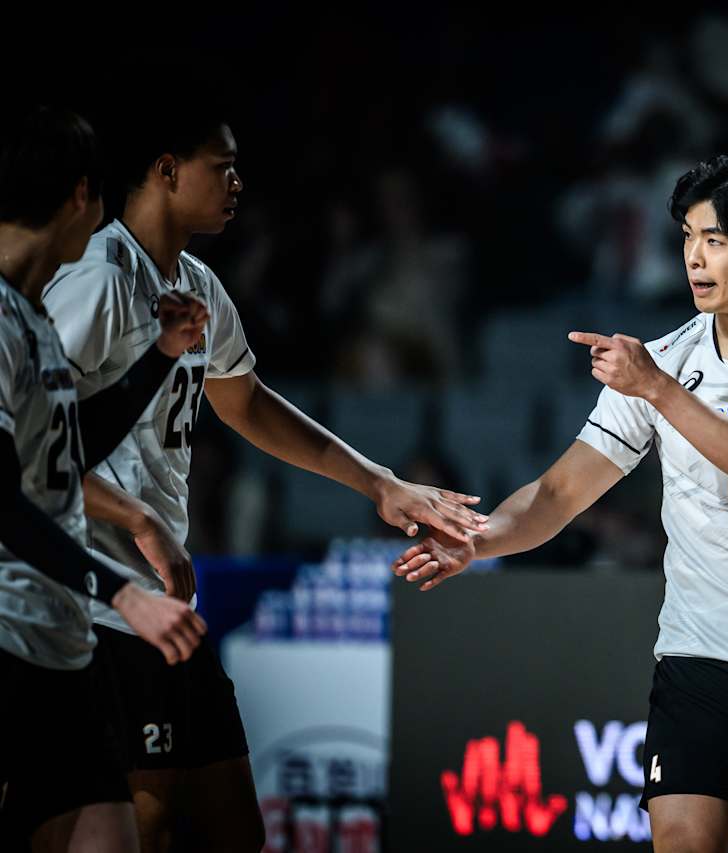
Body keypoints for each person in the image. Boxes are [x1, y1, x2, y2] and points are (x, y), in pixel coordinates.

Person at [395, 154, 728, 853]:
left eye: (714, 240)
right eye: (687, 236)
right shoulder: (665, 358)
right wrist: (479, 536)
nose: (693, 257)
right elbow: (560, 491)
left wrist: (657, 389)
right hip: (699, 652)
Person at [42, 103, 489, 853]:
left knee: (233, 827)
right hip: (98, 603)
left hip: (165, 603)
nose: (237, 183)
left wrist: (379, 483)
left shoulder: (197, 285)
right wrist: (138, 520)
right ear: (166, 171)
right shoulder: (98, 280)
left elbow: (245, 402)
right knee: (139, 823)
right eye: (222, 167)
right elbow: (34, 448)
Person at [0, 107, 210, 853]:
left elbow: (65, 449)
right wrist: (122, 592)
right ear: (82, 196)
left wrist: (159, 356)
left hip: (57, 642)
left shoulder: (29, 314)